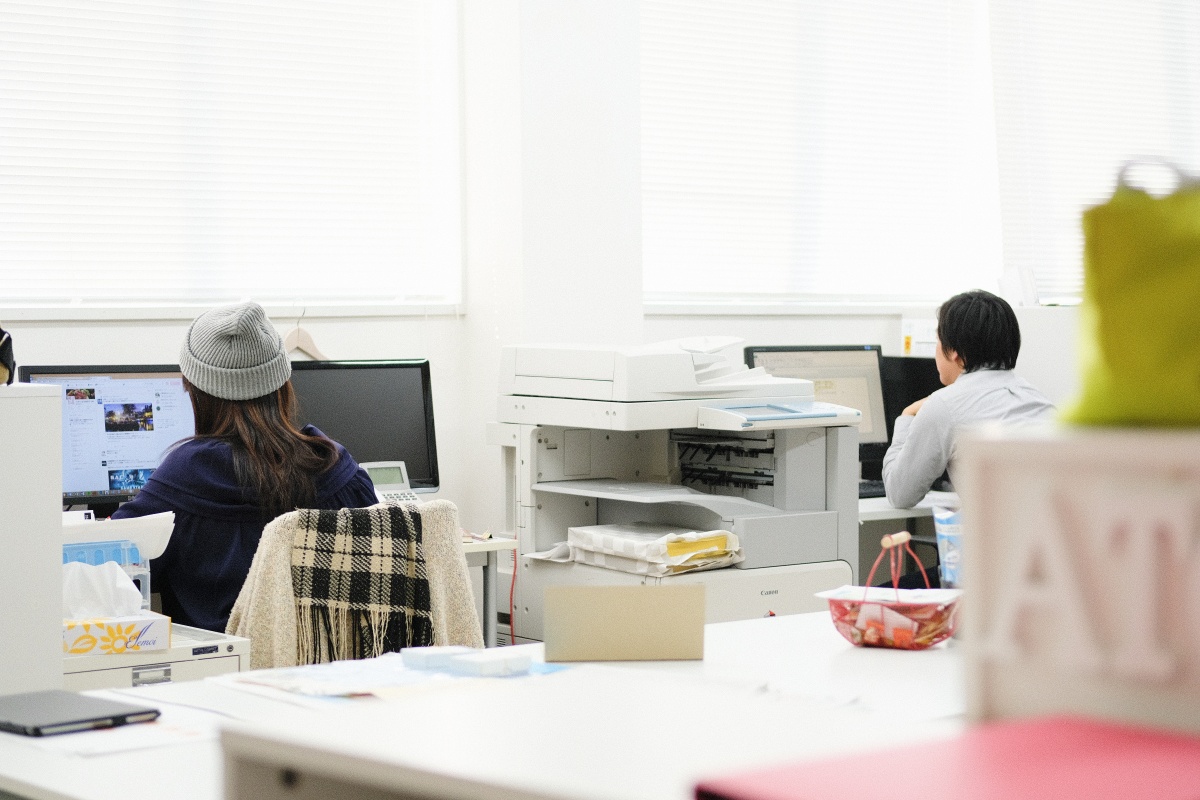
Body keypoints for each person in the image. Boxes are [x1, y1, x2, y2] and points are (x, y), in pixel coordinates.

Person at [113, 302, 378, 632]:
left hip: (217, 671)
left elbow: (112, 562)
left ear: (193, 389)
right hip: (328, 674)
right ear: (282, 383)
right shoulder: (335, 467)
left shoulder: (185, 475)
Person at [882, 290, 1055, 509]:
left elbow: (900, 493)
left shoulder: (943, 406)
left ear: (953, 351)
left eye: (938, 340)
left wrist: (907, 416)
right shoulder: (1037, 399)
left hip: (1002, 540)